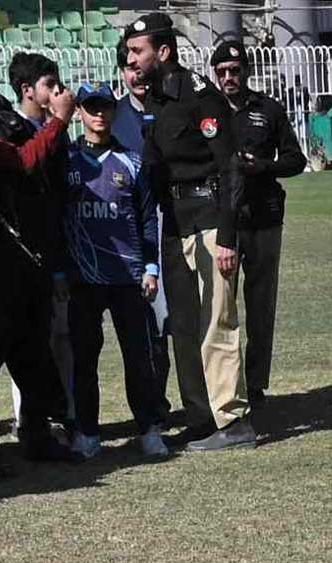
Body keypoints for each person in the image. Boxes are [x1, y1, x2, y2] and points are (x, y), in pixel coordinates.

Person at [123, 13, 255, 451]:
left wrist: (229, 237)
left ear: (163, 52)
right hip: (175, 223)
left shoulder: (202, 97)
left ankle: (232, 420)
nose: (131, 59)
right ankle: (200, 418)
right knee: (181, 325)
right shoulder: (156, 100)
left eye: (138, 51)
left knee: (217, 321)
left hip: (211, 219)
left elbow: (230, 167)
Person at [61, 82, 166, 459]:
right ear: (79, 112)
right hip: (83, 277)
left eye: (104, 106)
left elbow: (147, 218)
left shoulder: (132, 162)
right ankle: (88, 434)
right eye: (91, 107)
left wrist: (151, 267)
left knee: (138, 357)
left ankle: (149, 430)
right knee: (85, 358)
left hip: (128, 275)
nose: (99, 114)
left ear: (113, 110)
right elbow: (57, 218)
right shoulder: (66, 161)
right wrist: (60, 272)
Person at [212, 40, 305, 407]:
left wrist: (264, 166)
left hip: (265, 219)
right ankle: (226, 385)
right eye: (222, 72)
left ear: (246, 72)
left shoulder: (268, 109)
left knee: (261, 306)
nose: (228, 78)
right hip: (225, 223)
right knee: (222, 307)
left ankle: (255, 384)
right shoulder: (208, 111)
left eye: (234, 71)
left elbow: (296, 159)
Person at [2, 55, 76, 461]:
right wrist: (59, 121)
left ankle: (39, 433)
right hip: (13, 258)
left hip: (29, 258)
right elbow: (24, 162)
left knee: (31, 347)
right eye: (49, 83)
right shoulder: (13, 127)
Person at [112, 40, 174, 426]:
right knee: (149, 323)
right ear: (122, 72)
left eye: (139, 67)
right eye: (128, 68)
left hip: (175, 217)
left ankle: (196, 404)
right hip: (134, 231)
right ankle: (154, 404)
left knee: (177, 319)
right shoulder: (112, 117)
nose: (136, 75)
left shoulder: (169, 108)